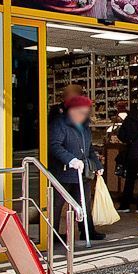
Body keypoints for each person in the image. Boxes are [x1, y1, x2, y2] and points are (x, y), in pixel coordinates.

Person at [48, 95, 101, 245]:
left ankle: (87, 231)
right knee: (57, 204)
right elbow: (54, 146)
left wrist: (97, 165)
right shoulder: (60, 124)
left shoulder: (84, 126)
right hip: (63, 172)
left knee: (84, 202)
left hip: (81, 172)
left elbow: (89, 149)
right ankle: (53, 234)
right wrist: (70, 159)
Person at [113, 99, 138, 212]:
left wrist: (129, 141)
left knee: (130, 179)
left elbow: (121, 134)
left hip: (132, 153)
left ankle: (125, 205)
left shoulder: (130, 117)